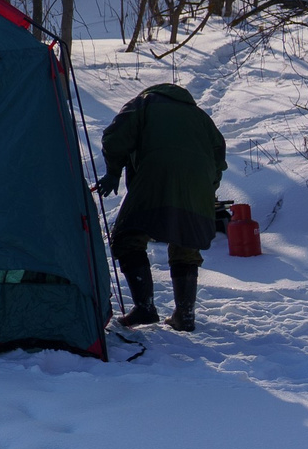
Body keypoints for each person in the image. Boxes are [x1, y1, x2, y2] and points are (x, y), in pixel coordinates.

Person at [97, 82, 226, 332]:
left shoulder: (143, 103)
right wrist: (206, 188)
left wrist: (113, 171)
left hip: (155, 177)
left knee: (127, 237)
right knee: (186, 244)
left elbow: (115, 136)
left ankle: (145, 308)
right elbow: (219, 158)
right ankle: (185, 315)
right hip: (198, 186)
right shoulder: (201, 117)